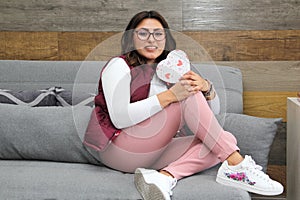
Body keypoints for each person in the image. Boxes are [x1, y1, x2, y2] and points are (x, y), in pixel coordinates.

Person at [83, 10, 283, 200]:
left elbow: (209, 121)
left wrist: (206, 88)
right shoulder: (118, 66)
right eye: (143, 33)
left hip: (151, 151)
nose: (151, 39)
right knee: (189, 97)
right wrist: (172, 95)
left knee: (222, 139)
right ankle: (237, 164)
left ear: (166, 40)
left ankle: (164, 177)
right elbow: (119, 118)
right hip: (119, 150)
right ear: (130, 39)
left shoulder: (169, 72)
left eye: (158, 34)